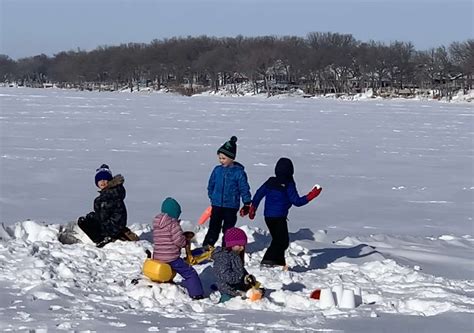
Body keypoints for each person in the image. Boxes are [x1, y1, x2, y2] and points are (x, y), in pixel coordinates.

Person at [248, 157, 322, 267]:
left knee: (278, 239)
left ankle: (278, 261)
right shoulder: (289, 184)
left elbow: (259, 194)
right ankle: (268, 260)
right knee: (282, 240)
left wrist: (253, 207)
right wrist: (311, 195)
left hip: (268, 216)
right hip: (279, 217)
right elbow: (297, 201)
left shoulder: (270, 181)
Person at [202, 136, 252, 248]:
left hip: (231, 206)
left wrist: (247, 202)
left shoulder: (238, 173)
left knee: (228, 229)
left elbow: (244, 188)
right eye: (220, 158)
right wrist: (212, 196)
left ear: (231, 158)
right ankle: (207, 246)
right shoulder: (217, 170)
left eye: (223, 158)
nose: (221, 160)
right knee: (213, 227)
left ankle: (226, 247)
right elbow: (211, 185)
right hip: (217, 205)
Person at [153, 197, 204, 300]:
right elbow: (178, 241)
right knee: (189, 273)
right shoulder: (173, 224)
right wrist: (185, 241)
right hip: (171, 257)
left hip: (158, 256)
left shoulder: (157, 224)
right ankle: (197, 294)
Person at [75, 164, 136, 247]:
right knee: (87, 220)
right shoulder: (106, 195)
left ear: (109, 181)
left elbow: (107, 215)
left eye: (105, 179)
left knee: (85, 223)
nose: (102, 182)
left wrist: (96, 219)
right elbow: (102, 214)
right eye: (100, 180)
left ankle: (102, 239)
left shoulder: (111, 195)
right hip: (111, 224)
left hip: (113, 226)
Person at [211, 227, 259, 303]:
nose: (242, 248)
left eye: (243, 245)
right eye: (240, 245)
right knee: (229, 302)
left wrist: (246, 276)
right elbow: (225, 275)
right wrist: (240, 277)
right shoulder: (223, 257)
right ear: (231, 245)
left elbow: (239, 269)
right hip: (227, 289)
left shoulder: (235, 255)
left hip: (237, 285)